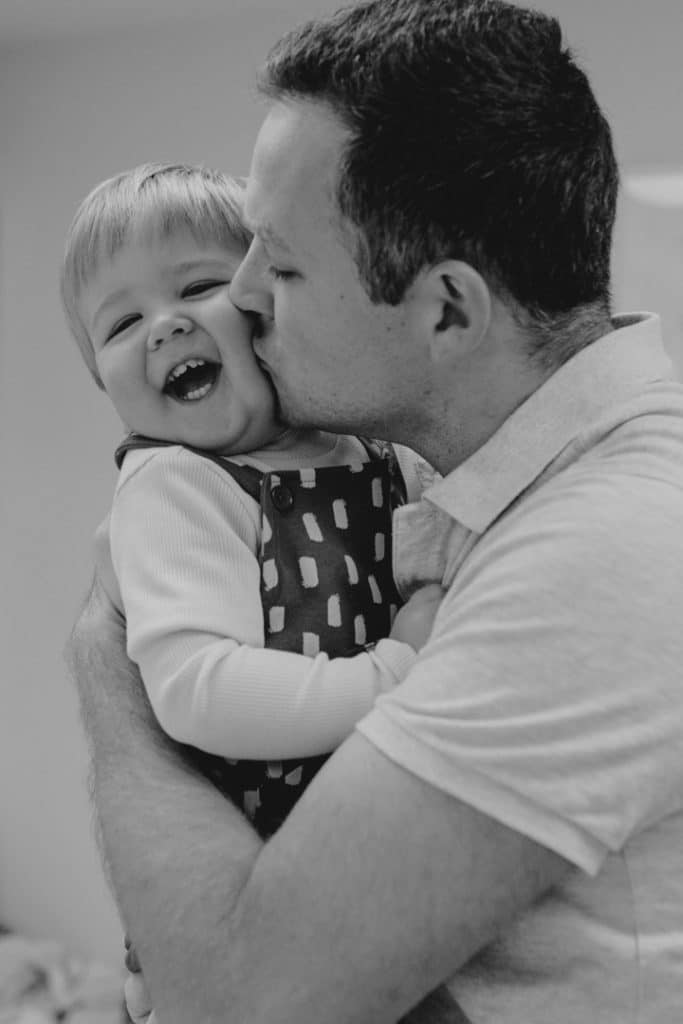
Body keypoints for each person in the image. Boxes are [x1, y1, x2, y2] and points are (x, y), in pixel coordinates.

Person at [66, 1, 683, 1021]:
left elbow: (244, 1003)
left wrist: (105, 650)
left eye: (282, 262)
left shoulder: (599, 548)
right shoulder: (474, 491)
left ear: (444, 308)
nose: (246, 296)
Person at [61, 161, 442, 842]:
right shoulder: (175, 483)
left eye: (199, 286)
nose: (163, 327)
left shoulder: (376, 450)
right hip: (259, 859)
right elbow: (200, 692)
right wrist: (390, 677)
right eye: (120, 325)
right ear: (102, 383)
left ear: (267, 303)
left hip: (384, 825)